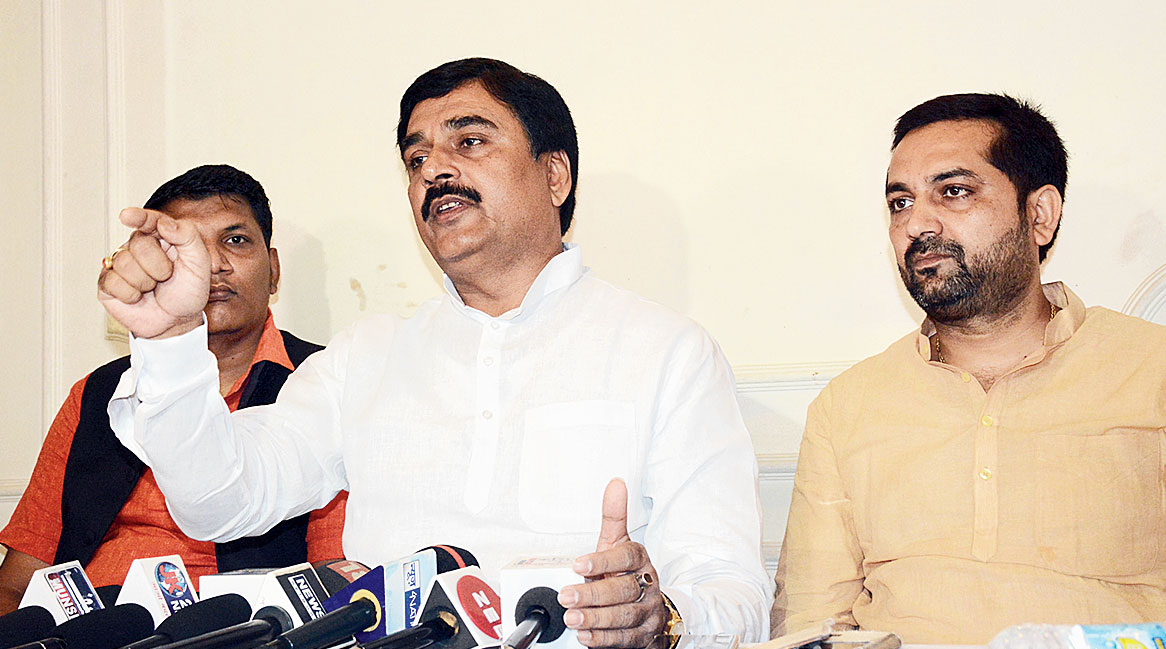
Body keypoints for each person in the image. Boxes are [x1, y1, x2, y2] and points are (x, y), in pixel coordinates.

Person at [97, 59, 771, 645]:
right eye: (416, 159)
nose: (435, 171)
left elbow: (736, 596)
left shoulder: (668, 352)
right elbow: (220, 498)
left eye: (469, 141)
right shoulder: (368, 354)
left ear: (555, 175)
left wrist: (661, 619)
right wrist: (165, 339)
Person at [773, 94, 1166, 644]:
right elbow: (811, 624)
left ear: (1040, 214)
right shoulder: (849, 406)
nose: (917, 224)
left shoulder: (1151, 371)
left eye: (953, 192)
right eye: (900, 203)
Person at [0, 165, 347, 615]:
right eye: (187, 248)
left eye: (235, 240)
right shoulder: (97, 395)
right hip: (88, 628)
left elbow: (335, 584)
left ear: (274, 270)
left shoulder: (325, 380)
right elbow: (15, 587)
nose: (213, 265)